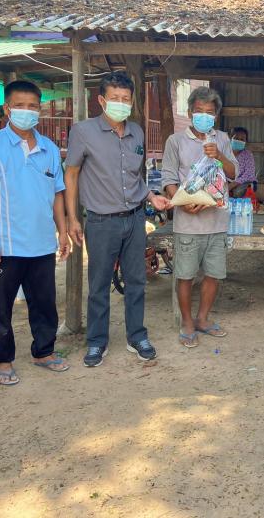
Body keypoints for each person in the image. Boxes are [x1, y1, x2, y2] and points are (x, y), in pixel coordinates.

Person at [65, 72, 171, 367]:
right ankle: (96, 341)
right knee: (99, 283)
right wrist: (73, 218)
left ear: (132, 101)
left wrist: (151, 196)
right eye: (115, 98)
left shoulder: (137, 132)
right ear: (102, 100)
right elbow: (71, 175)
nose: (121, 103)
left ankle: (137, 336)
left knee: (136, 280)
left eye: (126, 99)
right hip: (101, 221)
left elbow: (135, 176)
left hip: (134, 219)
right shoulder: (83, 132)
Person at [0, 80, 72, 385]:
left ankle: (44, 351)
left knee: (44, 303)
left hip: (41, 243)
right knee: (0, 306)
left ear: (39, 109)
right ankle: (2, 360)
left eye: (32, 106)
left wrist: (62, 231)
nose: (26, 111)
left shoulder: (49, 148)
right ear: (7, 108)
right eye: (19, 105)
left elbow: (57, 194)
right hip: (5, 245)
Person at [161, 86, 238, 348]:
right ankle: (187, 322)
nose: (204, 116)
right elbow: (169, 178)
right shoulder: (175, 141)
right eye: (199, 111)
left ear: (216, 115)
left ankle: (203, 319)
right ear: (189, 112)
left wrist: (220, 155)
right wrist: (182, 203)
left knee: (213, 274)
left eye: (209, 112)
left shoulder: (222, 138)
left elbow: (233, 173)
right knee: (185, 276)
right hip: (187, 223)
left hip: (217, 221)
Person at [228, 126, 256, 198]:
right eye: (236, 138)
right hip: (225, 182)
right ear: (230, 138)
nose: (239, 141)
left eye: (242, 139)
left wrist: (232, 185)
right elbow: (218, 167)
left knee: (239, 192)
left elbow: (249, 174)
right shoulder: (224, 153)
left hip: (242, 183)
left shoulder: (248, 155)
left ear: (246, 142)